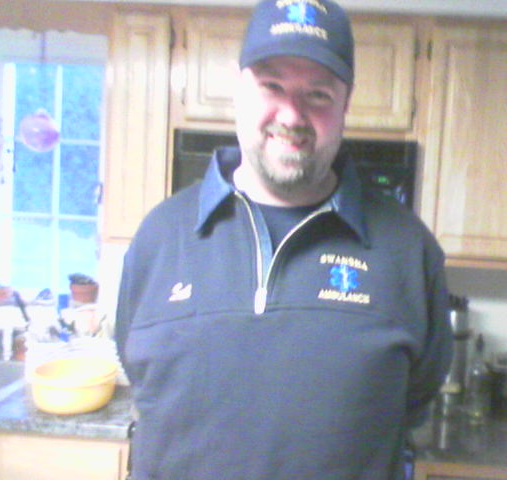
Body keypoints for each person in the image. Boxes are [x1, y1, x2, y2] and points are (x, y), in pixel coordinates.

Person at [115, 0, 453, 479]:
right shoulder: (159, 237)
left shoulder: (409, 252)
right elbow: (137, 374)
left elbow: (415, 397)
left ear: (345, 105)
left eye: (318, 94)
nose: (292, 115)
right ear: (239, 90)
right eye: (272, 86)